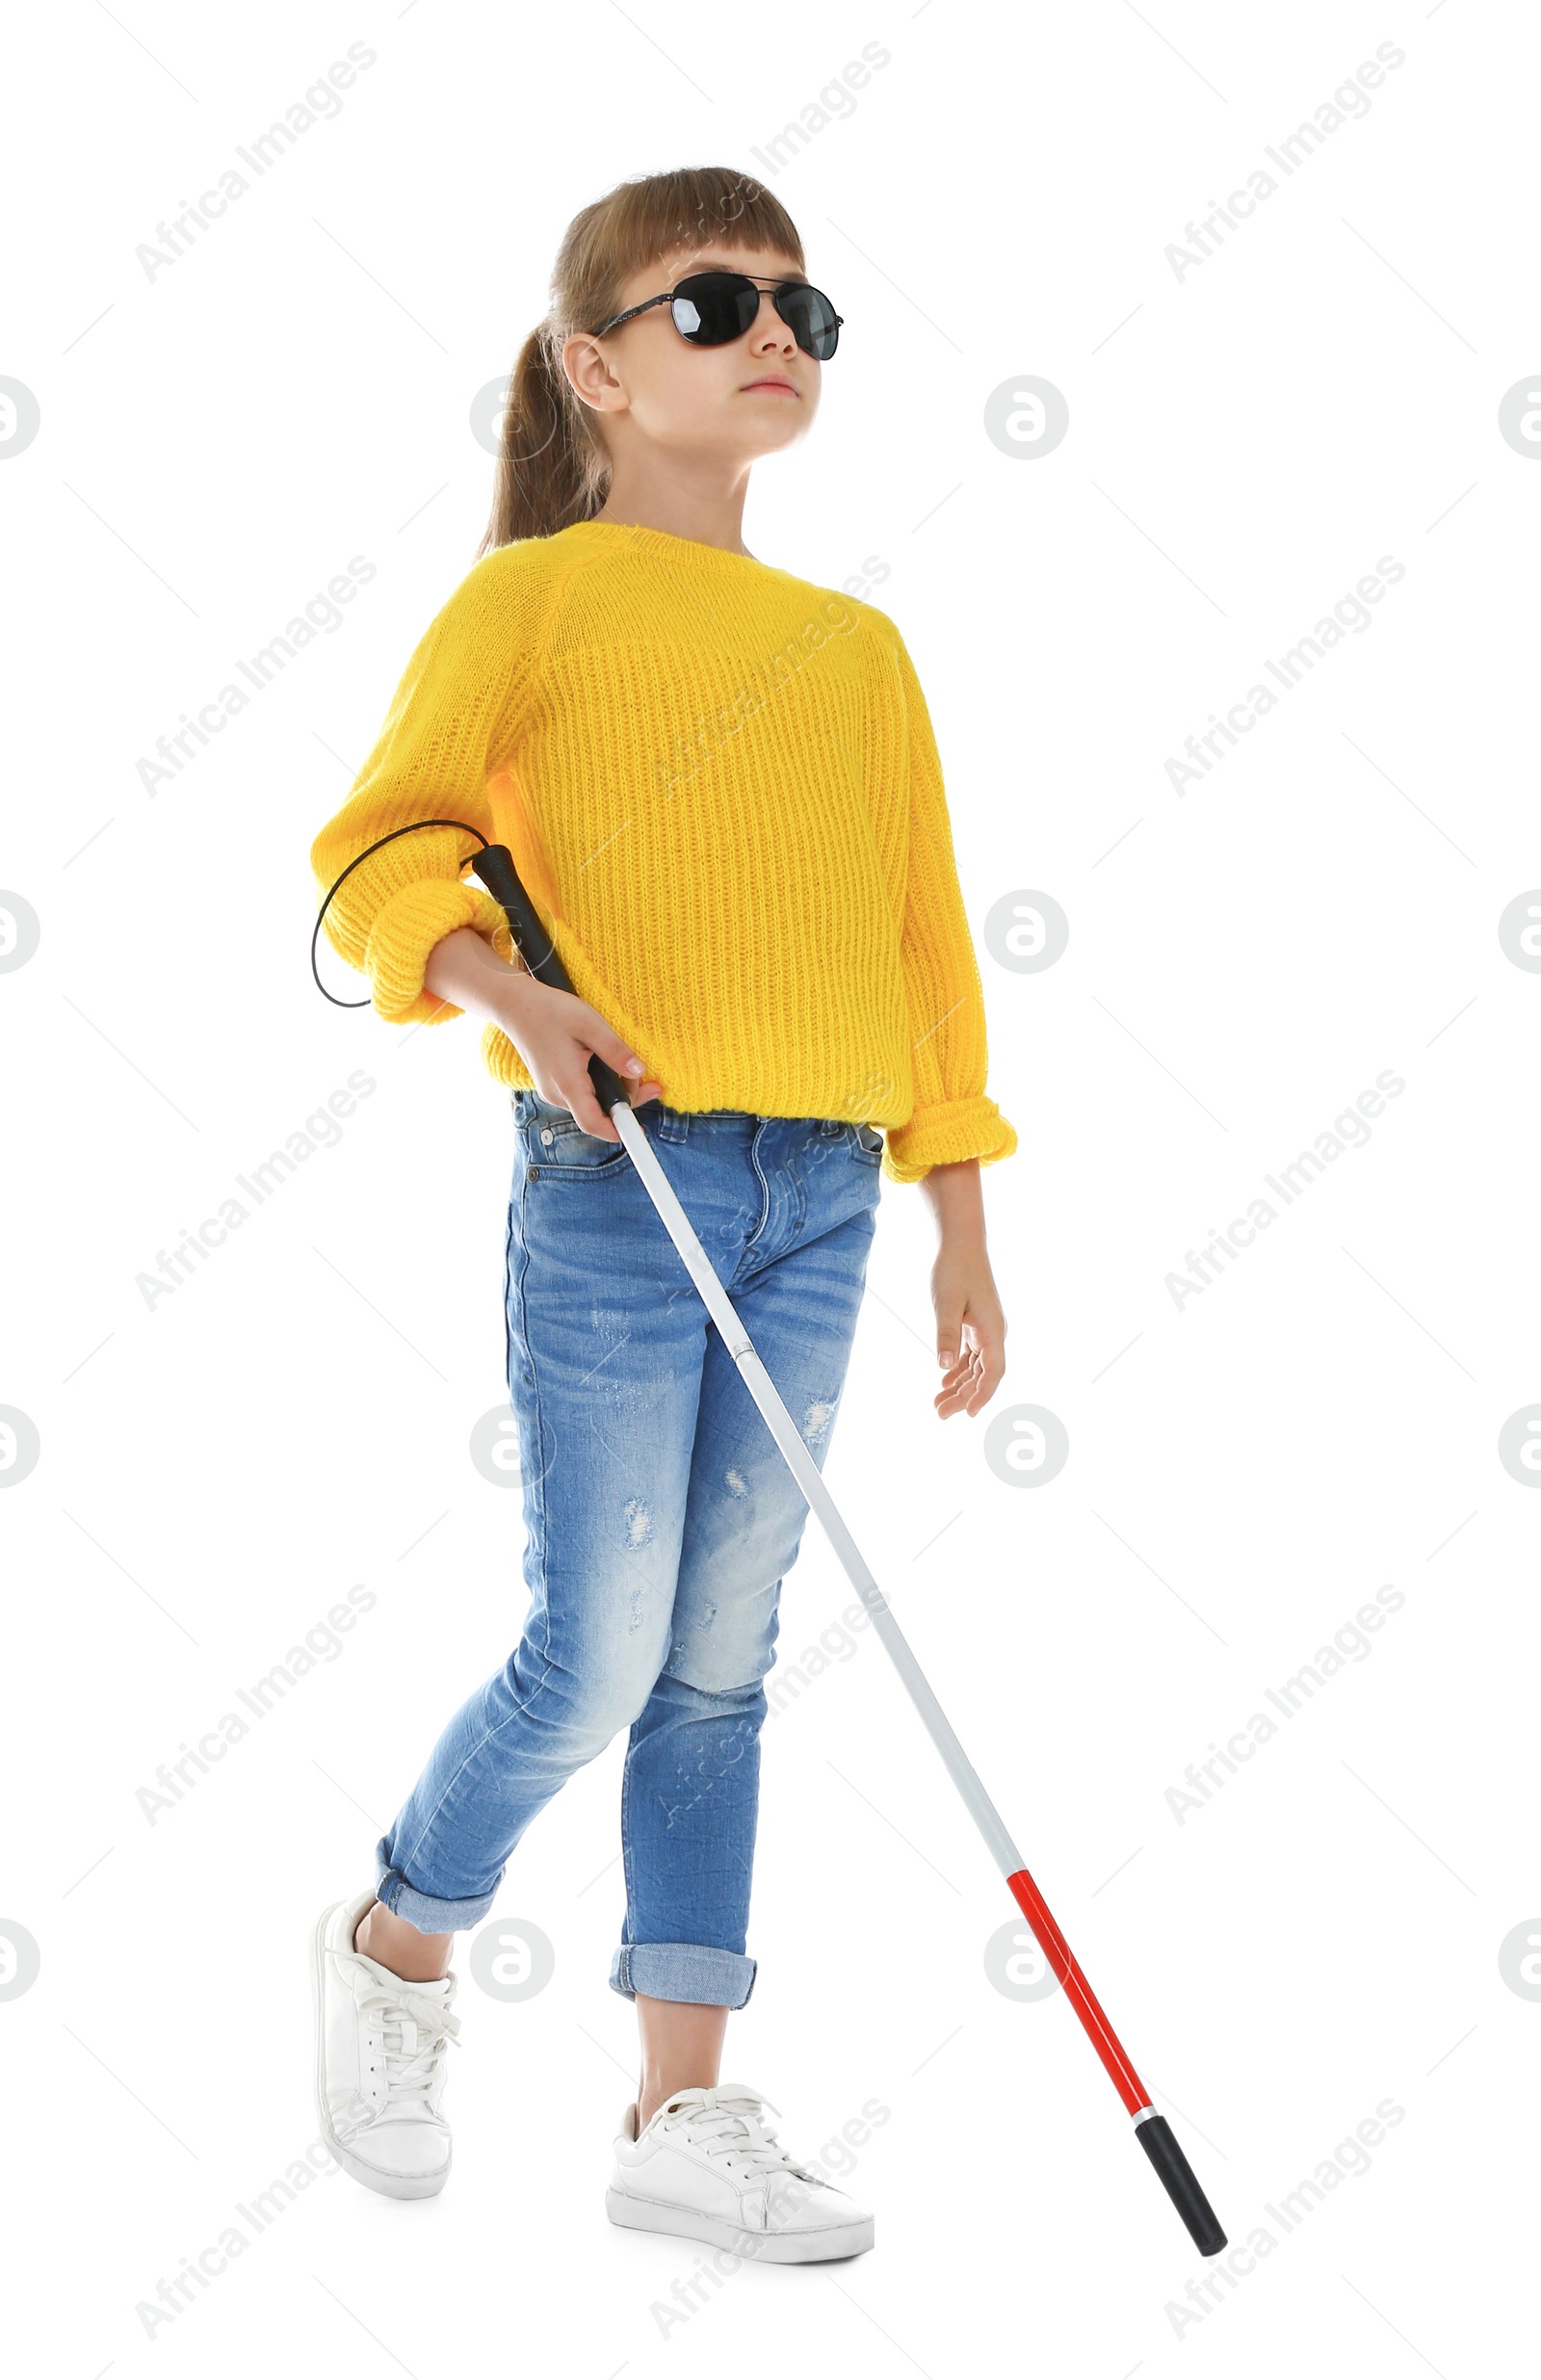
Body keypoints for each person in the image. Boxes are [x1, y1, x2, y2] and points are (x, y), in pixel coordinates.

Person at [306, 164, 1016, 2260]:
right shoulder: (528, 601)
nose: (772, 329)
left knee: (724, 1663)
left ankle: (676, 2123)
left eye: (801, 302)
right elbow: (377, 853)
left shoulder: (854, 648)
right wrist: (510, 999)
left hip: (821, 1191)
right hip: (622, 1175)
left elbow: (923, 949)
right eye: (712, 303)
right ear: (592, 368)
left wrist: (959, 1212)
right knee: (601, 1649)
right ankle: (394, 1947)